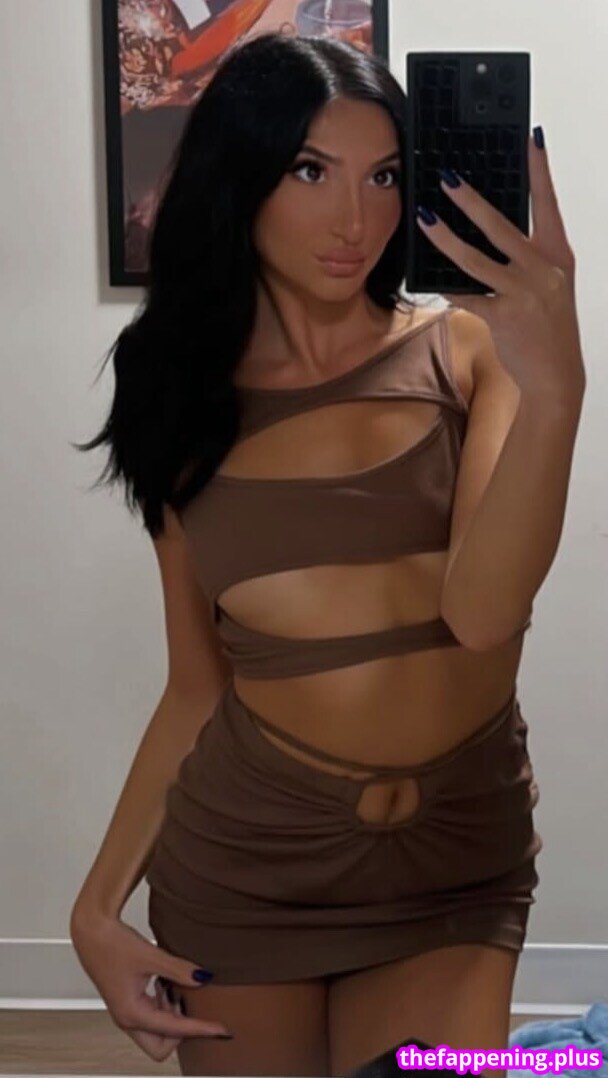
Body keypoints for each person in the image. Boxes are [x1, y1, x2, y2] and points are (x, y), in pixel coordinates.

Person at [70, 30, 585, 1078]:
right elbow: (196, 685)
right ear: (242, 177)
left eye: (385, 176)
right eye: (311, 171)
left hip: (454, 865)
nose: (357, 220)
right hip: (249, 868)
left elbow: (484, 613)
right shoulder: (176, 383)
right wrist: (92, 913)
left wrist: (558, 389)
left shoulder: (466, 352)